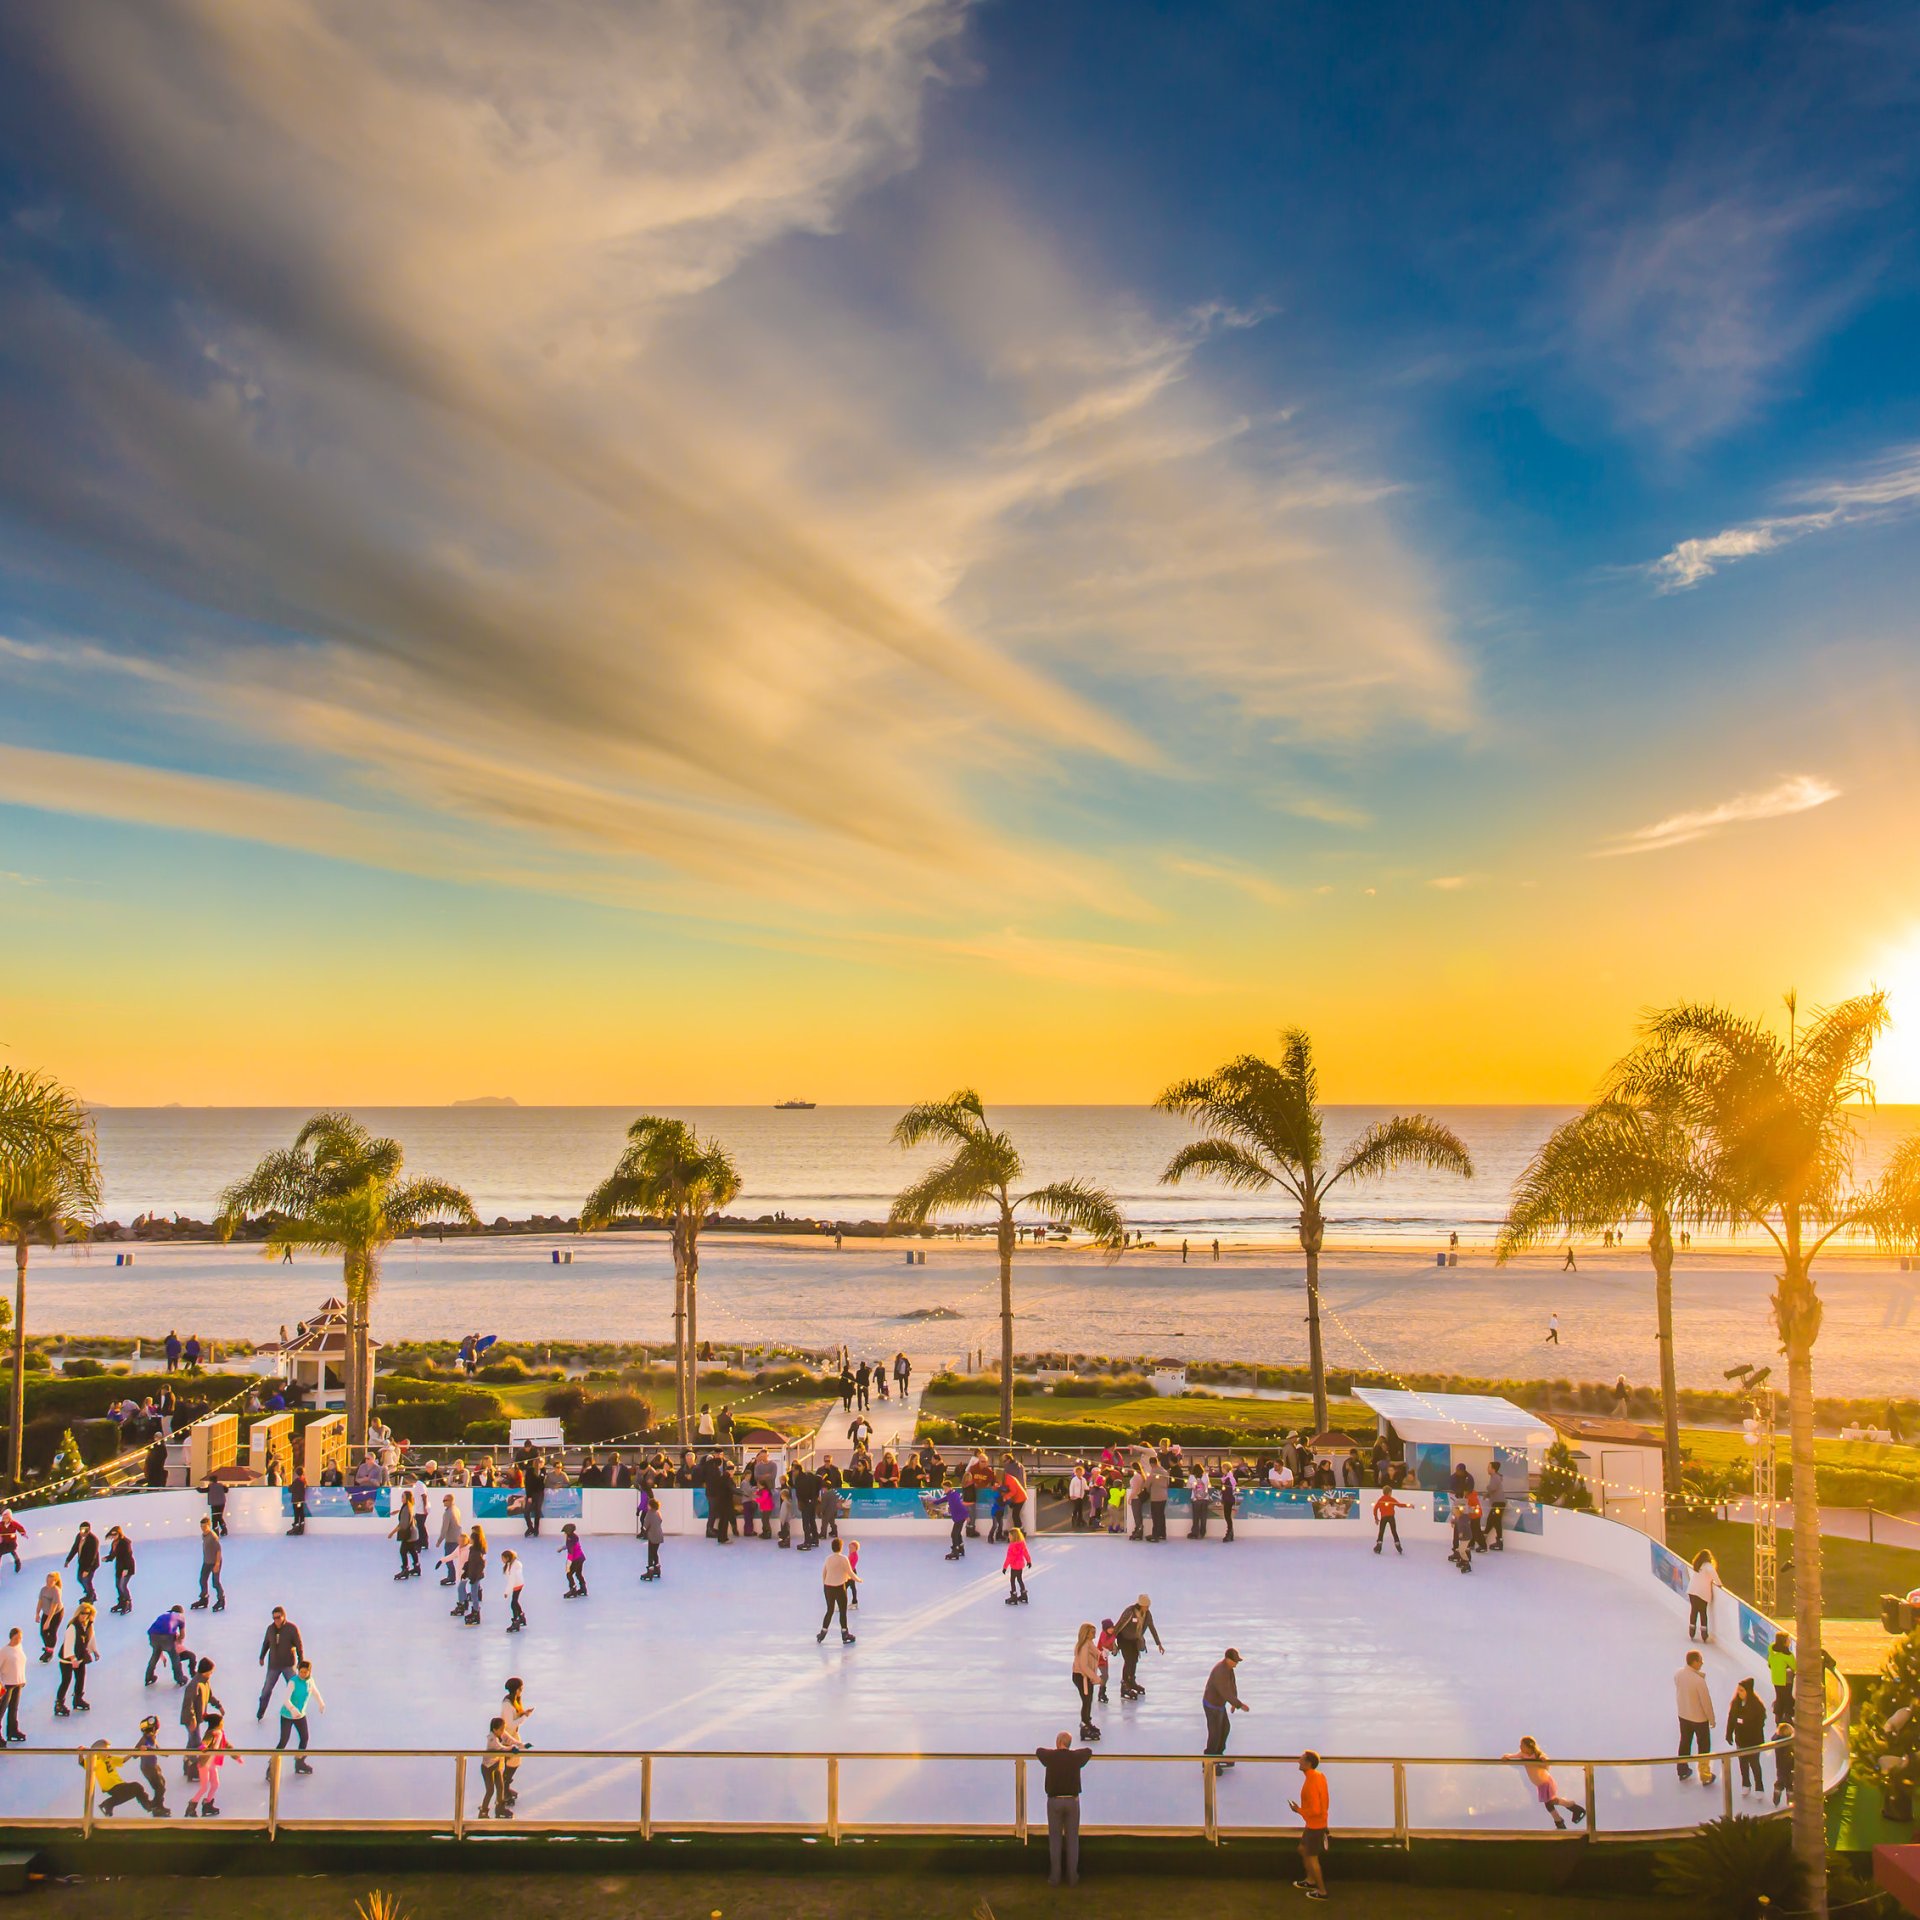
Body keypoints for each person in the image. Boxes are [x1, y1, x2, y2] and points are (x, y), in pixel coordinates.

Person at [1037, 1730, 1091, 1887]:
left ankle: (1055, 1877)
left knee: (1055, 1840)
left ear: (1057, 1742)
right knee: (1072, 1840)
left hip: (1054, 1802)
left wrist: (1057, 1751)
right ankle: (1072, 1877)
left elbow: (1039, 1751)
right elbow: (1088, 1751)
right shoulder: (1075, 1758)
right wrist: (1070, 1752)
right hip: (1072, 1802)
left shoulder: (1050, 1757)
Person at [1505, 1735, 1586, 1829]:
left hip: (1546, 1782)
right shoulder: (1523, 1754)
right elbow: (1513, 1756)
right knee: (1552, 1801)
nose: (1520, 1747)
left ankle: (1560, 1820)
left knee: (1549, 1803)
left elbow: (1545, 1758)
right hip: (1540, 1785)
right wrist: (1506, 1756)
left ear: (1528, 1746)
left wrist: (1543, 1760)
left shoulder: (1537, 1755)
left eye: (1522, 1745)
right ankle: (1572, 1809)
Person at [1291, 1750, 1330, 1900]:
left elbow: (1315, 1810)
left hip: (1315, 1826)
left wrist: (1298, 1810)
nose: (1298, 1761)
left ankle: (1322, 1891)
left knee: (1312, 1857)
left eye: (1301, 1759)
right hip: (1315, 1824)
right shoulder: (1318, 1776)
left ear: (1308, 1763)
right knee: (1302, 1849)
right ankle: (1310, 1880)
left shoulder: (1312, 1781)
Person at [185, 1709, 239, 1816]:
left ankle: (207, 1804)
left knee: (215, 1784)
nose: (223, 1725)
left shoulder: (220, 1734)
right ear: (217, 1724)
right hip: (204, 1764)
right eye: (221, 1723)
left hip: (212, 1764)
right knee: (204, 1787)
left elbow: (227, 1745)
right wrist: (203, 1746)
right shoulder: (211, 1733)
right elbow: (205, 1742)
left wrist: (236, 1756)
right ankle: (192, 1805)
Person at [86, 1738, 158, 1817]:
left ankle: (108, 1804)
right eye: (105, 1750)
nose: (108, 1752)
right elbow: (83, 1763)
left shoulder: (110, 1758)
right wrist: (81, 1752)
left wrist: (136, 1751)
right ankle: (147, 1805)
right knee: (136, 1787)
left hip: (119, 1784)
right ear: (98, 1751)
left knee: (131, 1792)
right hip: (111, 1786)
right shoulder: (94, 1760)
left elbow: (123, 1760)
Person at [277, 1659, 324, 1775]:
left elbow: (315, 1692)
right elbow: (285, 1700)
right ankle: (272, 1767)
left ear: (309, 1672)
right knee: (284, 1741)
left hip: (300, 1715)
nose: (303, 1674)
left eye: (305, 1672)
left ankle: (299, 1761)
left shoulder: (310, 1681)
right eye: (301, 1672)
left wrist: (321, 1703)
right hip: (287, 1715)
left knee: (304, 1738)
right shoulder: (293, 1682)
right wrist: (292, 1710)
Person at [1675, 1649, 1715, 1783]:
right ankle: (1705, 1775)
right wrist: (1711, 1719)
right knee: (1704, 1746)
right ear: (1694, 1662)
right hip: (1699, 1719)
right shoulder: (1699, 1681)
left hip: (1684, 1715)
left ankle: (1682, 1769)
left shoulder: (1679, 1674)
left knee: (1685, 1742)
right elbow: (1706, 1702)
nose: (1702, 1663)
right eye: (1700, 1660)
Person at [257, 1606, 304, 1719]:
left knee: (295, 1688)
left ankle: (299, 1709)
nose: (276, 1620)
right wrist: (262, 1657)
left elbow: (299, 1646)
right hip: (274, 1665)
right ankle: (261, 1712)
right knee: (266, 1690)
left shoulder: (291, 1629)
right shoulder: (270, 1629)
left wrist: (301, 1661)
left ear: (283, 1616)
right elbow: (266, 1644)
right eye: (274, 1618)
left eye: (278, 1617)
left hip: (288, 1664)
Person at [1113, 1594, 1163, 1700]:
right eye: (1146, 1606)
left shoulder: (1147, 1614)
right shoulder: (1130, 1612)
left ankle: (1131, 1681)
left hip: (1135, 1641)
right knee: (1129, 1660)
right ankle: (1124, 1685)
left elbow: (1152, 1628)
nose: (1147, 1608)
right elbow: (1118, 1625)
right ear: (1141, 1605)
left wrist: (1158, 1644)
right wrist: (1112, 1642)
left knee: (1134, 1660)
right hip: (1124, 1639)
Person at [1202, 1648, 1248, 1763]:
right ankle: (1208, 1761)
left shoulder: (1229, 1669)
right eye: (1235, 1661)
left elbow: (1232, 1685)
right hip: (1212, 1706)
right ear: (1228, 1659)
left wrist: (1234, 1701)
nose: (1236, 1663)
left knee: (1225, 1729)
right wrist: (1239, 1704)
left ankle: (1218, 1755)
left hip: (1220, 1705)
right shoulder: (1220, 1671)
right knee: (1215, 1734)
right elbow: (1225, 1692)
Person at [1726, 1677, 1768, 1797]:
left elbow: (1761, 1722)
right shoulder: (1735, 1704)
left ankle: (1759, 1787)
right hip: (1741, 1739)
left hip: (1754, 1740)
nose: (1739, 1693)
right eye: (1738, 1690)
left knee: (1755, 1764)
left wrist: (1746, 1722)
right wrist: (1729, 1733)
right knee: (1743, 1764)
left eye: (1742, 1690)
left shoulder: (1757, 1705)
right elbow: (1731, 1719)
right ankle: (1746, 1784)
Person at [55, 1600, 98, 1715]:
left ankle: (78, 1699)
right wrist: (72, 1659)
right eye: (82, 1614)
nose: (84, 1616)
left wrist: (94, 1650)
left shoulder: (88, 1625)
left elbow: (91, 1638)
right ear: (78, 1614)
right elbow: (69, 1644)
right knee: (66, 1680)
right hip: (67, 1660)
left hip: (80, 1657)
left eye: (87, 1614)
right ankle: (59, 1704)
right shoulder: (72, 1627)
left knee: (80, 1679)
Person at [817, 1541, 857, 1644]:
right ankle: (845, 1634)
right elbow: (850, 1572)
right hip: (839, 1587)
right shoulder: (843, 1558)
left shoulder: (828, 1559)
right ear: (841, 1547)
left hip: (828, 1587)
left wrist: (825, 1585)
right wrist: (858, 1579)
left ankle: (823, 1632)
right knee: (843, 1611)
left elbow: (824, 1573)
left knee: (830, 1610)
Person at [480, 1716, 517, 1820]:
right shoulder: (492, 1739)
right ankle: (483, 1811)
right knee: (490, 1790)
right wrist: (511, 1748)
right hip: (488, 1768)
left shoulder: (499, 1735)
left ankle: (500, 1809)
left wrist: (521, 1745)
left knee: (500, 1787)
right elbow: (501, 1748)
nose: (503, 1731)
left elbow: (510, 1741)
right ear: (495, 1729)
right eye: (501, 1729)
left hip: (496, 1765)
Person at [144, 1605, 191, 1687]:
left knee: (155, 1655)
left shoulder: (163, 1615)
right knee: (174, 1657)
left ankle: (149, 1677)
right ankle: (180, 1678)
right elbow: (182, 1635)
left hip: (152, 1635)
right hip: (167, 1637)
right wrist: (177, 1641)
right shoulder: (180, 1617)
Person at [1070, 1623, 1103, 1741]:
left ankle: (1087, 1722)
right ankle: (1084, 1725)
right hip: (1081, 1677)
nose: (1095, 1634)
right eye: (1092, 1632)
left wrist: (1103, 1654)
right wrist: (1096, 1678)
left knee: (1088, 1700)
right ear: (1086, 1633)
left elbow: (1097, 1653)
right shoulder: (1084, 1646)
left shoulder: (1089, 1643)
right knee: (1086, 1700)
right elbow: (1084, 1666)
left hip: (1086, 1677)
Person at [1688, 1550, 1722, 1641]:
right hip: (1702, 1593)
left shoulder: (1697, 1565)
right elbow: (1715, 1576)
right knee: (1703, 1612)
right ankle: (1704, 1633)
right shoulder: (1708, 1566)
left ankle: (1691, 1631)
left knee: (1694, 1611)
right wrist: (1719, 1584)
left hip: (1692, 1591)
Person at [193, 1517, 225, 1612]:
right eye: (201, 1526)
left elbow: (218, 1551)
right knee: (202, 1580)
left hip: (215, 1562)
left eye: (205, 1526)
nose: (203, 1528)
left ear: (209, 1525)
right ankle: (204, 1598)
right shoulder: (204, 1535)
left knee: (215, 1583)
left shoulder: (213, 1536)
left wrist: (217, 1564)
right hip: (207, 1562)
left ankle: (221, 1599)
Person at [64, 1520, 100, 1603]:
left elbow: (92, 1556)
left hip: (91, 1564)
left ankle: (90, 1596)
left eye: (85, 1530)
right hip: (82, 1562)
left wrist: (87, 1570)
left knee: (86, 1580)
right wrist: (68, 1560)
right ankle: (91, 1593)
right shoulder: (79, 1536)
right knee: (80, 1578)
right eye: (81, 1530)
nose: (83, 1532)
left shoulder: (93, 1540)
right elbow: (75, 1548)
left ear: (89, 1530)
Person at [0, 1626, 25, 1741]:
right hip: (7, 1685)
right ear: (11, 1638)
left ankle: (12, 1731)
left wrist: (23, 1679)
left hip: (18, 1683)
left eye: (20, 1638)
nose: (18, 1640)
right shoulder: (4, 1651)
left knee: (14, 1708)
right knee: (1, 1710)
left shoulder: (19, 1648)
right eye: (15, 1638)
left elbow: (20, 1664)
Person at [461, 1524, 489, 1625]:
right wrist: (465, 1571)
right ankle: (475, 1611)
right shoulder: (472, 1550)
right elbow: (470, 1562)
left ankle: (476, 1613)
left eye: (471, 1538)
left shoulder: (477, 1552)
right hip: (472, 1575)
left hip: (475, 1576)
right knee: (473, 1594)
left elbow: (480, 1565)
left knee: (474, 1595)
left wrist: (475, 1577)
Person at [35, 1569, 63, 1665]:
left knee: (52, 1631)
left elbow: (53, 1607)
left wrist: (48, 1621)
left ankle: (50, 1651)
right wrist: (37, 1613)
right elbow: (40, 1601)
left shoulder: (56, 1591)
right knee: (43, 1632)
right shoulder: (43, 1589)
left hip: (56, 1614)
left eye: (51, 1581)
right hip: (46, 1613)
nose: (49, 1583)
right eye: (47, 1581)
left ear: (55, 1581)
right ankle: (48, 1648)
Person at [1373, 1486, 1409, 1556]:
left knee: (1381, 1532)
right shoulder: (1391, 1499)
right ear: (1389, 1492)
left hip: (1383, 1517)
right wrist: (1409, 1505)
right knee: (1394, 1531)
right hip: (1391, 1517)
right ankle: (1398, 1546)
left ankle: (1378, 1546)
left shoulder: (1381, 1499)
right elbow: (1400, 1505)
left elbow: (1375, 1508)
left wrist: (1376, 1518)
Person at [1767, 1631, 1796, 1719]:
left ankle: (1778, 1715)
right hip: (1786, 1680)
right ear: (1784, 1641)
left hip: (1776, 1679)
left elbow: (1769, 1664)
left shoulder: (1772, 1652)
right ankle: (1787, 1716)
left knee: (1779, 1697)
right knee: (1787, 1698)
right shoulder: (1787, 1655)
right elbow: (1795, 1667)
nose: (1790, 1642)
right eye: (1788, 1640)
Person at [436, 1495, 463, 1583]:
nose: (443, 1502)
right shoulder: (456, 1509)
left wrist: (439, 1541)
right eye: (443, 1500)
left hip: (451, 1539)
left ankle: (451, 1577)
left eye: (445, 1500)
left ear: (451, 1500)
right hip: (458, 1537)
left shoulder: (448, 1513)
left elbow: (444, 1528)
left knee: (448, 1558)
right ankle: (454, 1576)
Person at [1003, 1526, 1033, 1605]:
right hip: (1020, 1565)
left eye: (1010, 1536)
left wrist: (1005, 1567)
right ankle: (1024, 1594)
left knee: (1012, 1580)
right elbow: (1026, 1553)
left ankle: (1014, 1596)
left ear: (1013, 1536)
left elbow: (1009, 1558)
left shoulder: (1012, 1546)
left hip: (1014, 1566)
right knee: (1019, 1579)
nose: (1009, 1537)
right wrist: (1029, 1561)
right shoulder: (1022, 1544)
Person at [940, 1483, 968, 1560]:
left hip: (960, 1517)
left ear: (949, 1488)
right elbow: (943, 1499)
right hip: (960, 1517)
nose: (944, 1490)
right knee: (957, 1533)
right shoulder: (952, 1494)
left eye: (945, 1488)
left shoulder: (953, 1496)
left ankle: (955, 1551)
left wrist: (966, 1515)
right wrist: (934, 1502)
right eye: (943, 1488)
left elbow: (960, 1505)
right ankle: (961, 1549)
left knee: (954, 1534)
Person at [560, 1522, 588, 1598]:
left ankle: (573, 1590)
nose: (564, 1534)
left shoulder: (569, 1539)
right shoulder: (574, 1537)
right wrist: (562, 1548)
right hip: (581, 1558)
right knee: (578, 1573)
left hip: (576, 1559)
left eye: (565, 1532)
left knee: (569, 1574)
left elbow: (571, 1552)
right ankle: (583, 1588)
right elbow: (571, 1545)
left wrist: (568, 1565)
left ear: (568, 1532)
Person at [641, 1499, 664, 1581]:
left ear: (650, 1505)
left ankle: (650, 1572)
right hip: (659, 1536)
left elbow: (645, 1525)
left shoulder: (649, 1513)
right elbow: (660, 1521)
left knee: (650, 1554)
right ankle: (657, 1569)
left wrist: (643, 1531)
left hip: (652, 1536)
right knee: (655, 1552)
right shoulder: (658, 1513)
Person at [0, 1509, 27, 1574]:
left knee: (12, 1551)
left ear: (9, 1517)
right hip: (3, 1542)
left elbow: (20, 1528)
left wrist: (23, 1533)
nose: (3, 1518)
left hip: (11, 1542)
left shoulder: (14, 1523)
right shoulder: (1, 1524)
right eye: (3, 1516)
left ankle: (18, 1563)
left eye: (5, 1516)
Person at [288, 1465, 309, 1535]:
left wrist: (289, 1486)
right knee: (301, 1513)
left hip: (296, 1500)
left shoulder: (296, 1481)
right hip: (301, 1500)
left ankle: (296, 1526)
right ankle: (301, 1527)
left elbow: (291, 1489)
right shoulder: (304, 1481)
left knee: (296, 1514)